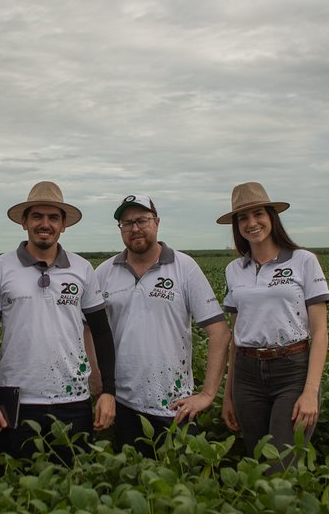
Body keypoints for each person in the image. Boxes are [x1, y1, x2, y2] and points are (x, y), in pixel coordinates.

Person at [0, 181, 116, 463]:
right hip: (15, 399)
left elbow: (102, 333)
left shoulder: (82, 269)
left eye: (53, 217)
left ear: (63, 225)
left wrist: (108, 392)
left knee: (74, 477)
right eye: (37, 216)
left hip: (73, 398)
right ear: (24, 222)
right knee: (17, 481)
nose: (45, 224)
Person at [91, 194, 230, 456]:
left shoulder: (184, 268)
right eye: (127, 223)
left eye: (142, 220)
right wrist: (97, 378)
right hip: (123, 405)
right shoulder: (104, 273)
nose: (135, 228)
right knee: (132, 476)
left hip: (175, 405)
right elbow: (88, 329)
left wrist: (208, 394)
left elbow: (219, 333)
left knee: (179, 477)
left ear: (156, 222)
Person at [217, 182, 329, 471]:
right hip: (246, 376)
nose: (251, 223)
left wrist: (310, 392)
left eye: (258, 214)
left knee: (282, 466)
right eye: (243, 217)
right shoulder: (234, 270)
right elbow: (236, 336)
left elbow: (320, 333)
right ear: (236, 225)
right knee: (258, 464)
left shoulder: (304, 261)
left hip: (292, 372)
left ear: (272, 217)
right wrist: (228, 395)